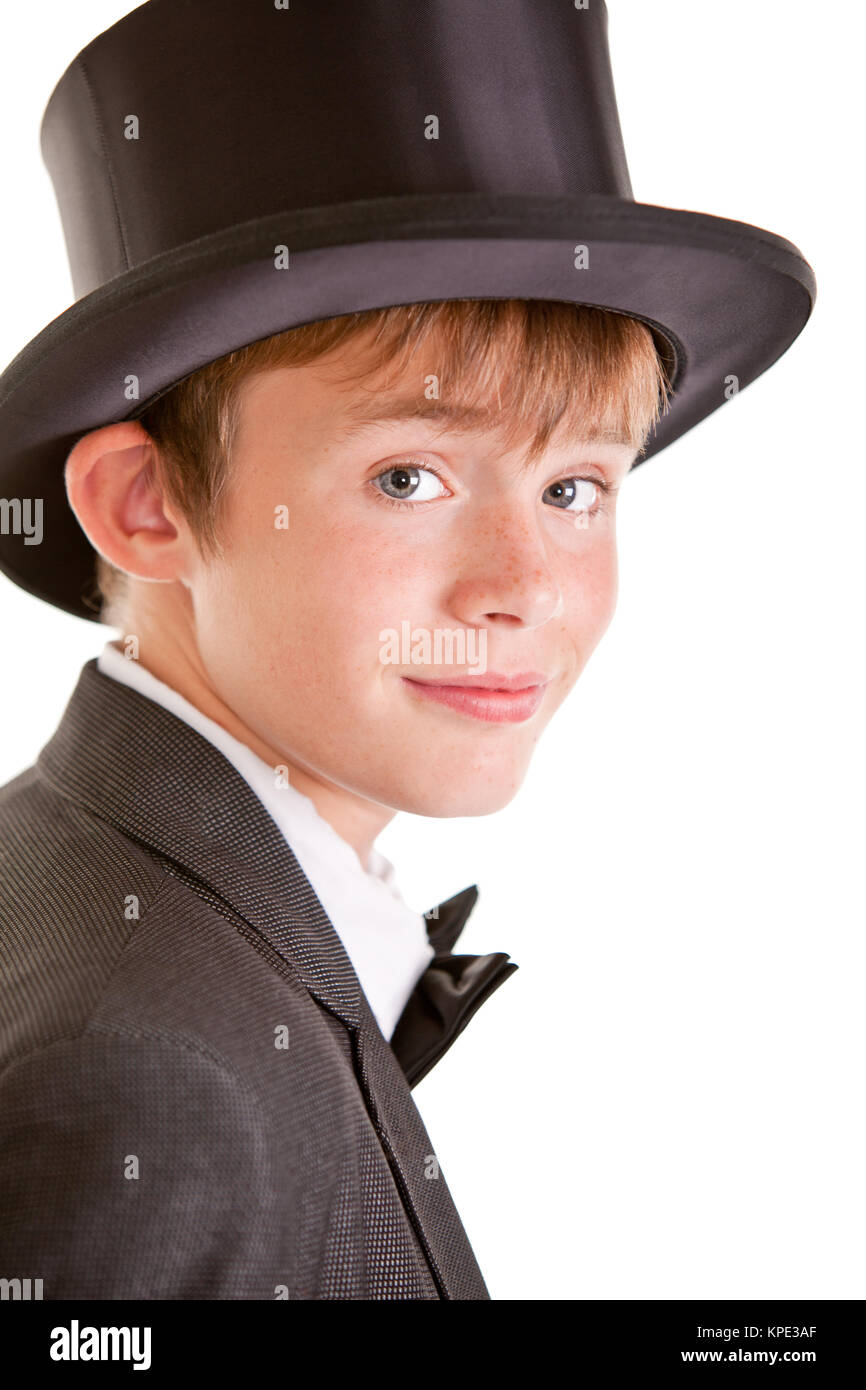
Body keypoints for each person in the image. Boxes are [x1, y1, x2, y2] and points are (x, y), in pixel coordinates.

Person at [0, 0, 814, 1300]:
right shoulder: (147, 1088)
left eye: (572, 489)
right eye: (407, 476)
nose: (519, 589)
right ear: (147, 506)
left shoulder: (85, 889)